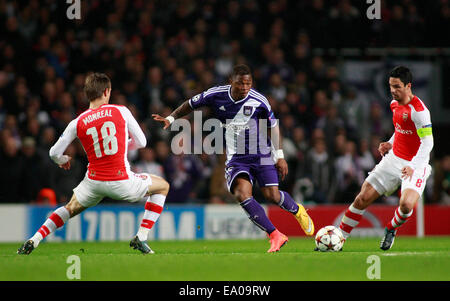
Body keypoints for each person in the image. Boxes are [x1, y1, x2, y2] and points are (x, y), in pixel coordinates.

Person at [152, 64, 314, 253]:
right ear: (231, 81)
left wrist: (279, 155)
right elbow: (190, 103)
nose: (245, 88)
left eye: (248, 83)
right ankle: (275, 235)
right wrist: (171, 119)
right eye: (241, 84)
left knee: (272, 195)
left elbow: (273, 126)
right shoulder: (216, 94)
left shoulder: (259, 100)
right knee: (241, 194)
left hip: (261, 153)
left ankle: (298, 210)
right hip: (237, 157)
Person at [18, 73, 170, 255]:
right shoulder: (121, 111)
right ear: (106, 92)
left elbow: (53, 153)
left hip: (94, 182)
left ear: (87, 94)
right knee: (162, 187)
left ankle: (34, 239)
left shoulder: (78, 121)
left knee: (69, 208)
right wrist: (123, 147)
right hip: (121, 181)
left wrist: (62, 160)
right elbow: (142, 143)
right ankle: (141, 237)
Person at [338, 66, 433, 250]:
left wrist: (413, 166)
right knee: (362, 197)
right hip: (394, 158)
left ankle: (390, 229)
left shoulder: (419, 111)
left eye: (397, 86)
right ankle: (338, 238)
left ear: (408, 86)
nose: (392, 90)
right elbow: (401, 130)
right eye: (390, 86)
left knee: (406, 205)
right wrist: (390, 142)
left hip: (416, 164)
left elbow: (428, 142)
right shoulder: (394, 104)